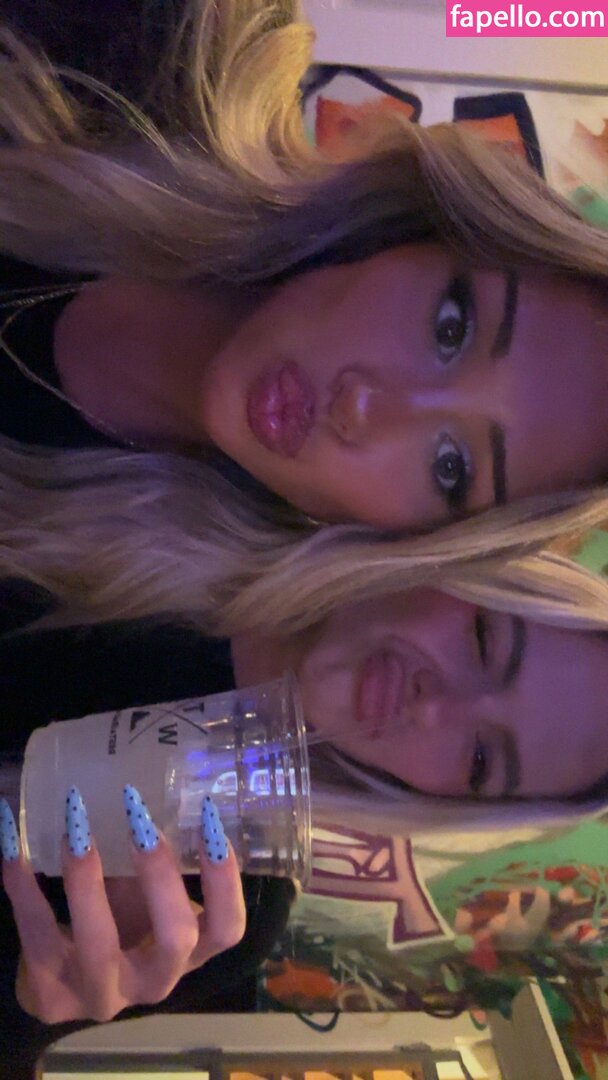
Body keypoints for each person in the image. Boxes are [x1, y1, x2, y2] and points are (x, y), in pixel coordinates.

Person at [0, 0, 605, 638]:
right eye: (450, 329)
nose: (365, 406)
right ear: (421, 231)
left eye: (451, 468)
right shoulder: (174, 31)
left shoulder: (131, 641)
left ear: (409, 539)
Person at [2, 525, 608, 1034]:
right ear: (461, 567)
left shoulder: (225, 910)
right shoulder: (177, 483)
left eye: (479, 760)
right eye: (484, 640)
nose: (433, 708)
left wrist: (36, 996)